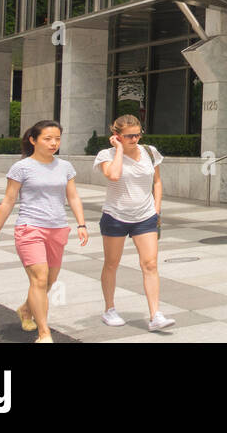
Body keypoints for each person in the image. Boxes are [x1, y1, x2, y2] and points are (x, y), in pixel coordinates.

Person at [0, 120, 88, 343]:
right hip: (30, 228)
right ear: (33, 140)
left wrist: (81, 224)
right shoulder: (22, 167)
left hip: (58, 228)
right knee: (39, 279)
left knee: (49, 281)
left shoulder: (65, 167)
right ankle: (44, 333)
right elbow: (9, 200)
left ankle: (25, 310)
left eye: (57, 138)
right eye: (48, 139)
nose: (53, 143)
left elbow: (73, 197)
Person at [94, 114, 175, 331]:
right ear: (116, 135)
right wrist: (119, 150)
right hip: (115, 216)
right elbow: (113, 175)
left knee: (150, 264)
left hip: (145, 216)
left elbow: (157, 182)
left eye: (137, 134)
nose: (134, 139)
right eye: (129, 136)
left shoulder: (150, 151)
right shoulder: (106, 155)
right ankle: (109, 309)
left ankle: (155, 314)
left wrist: (156, 209)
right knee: (112, 264)